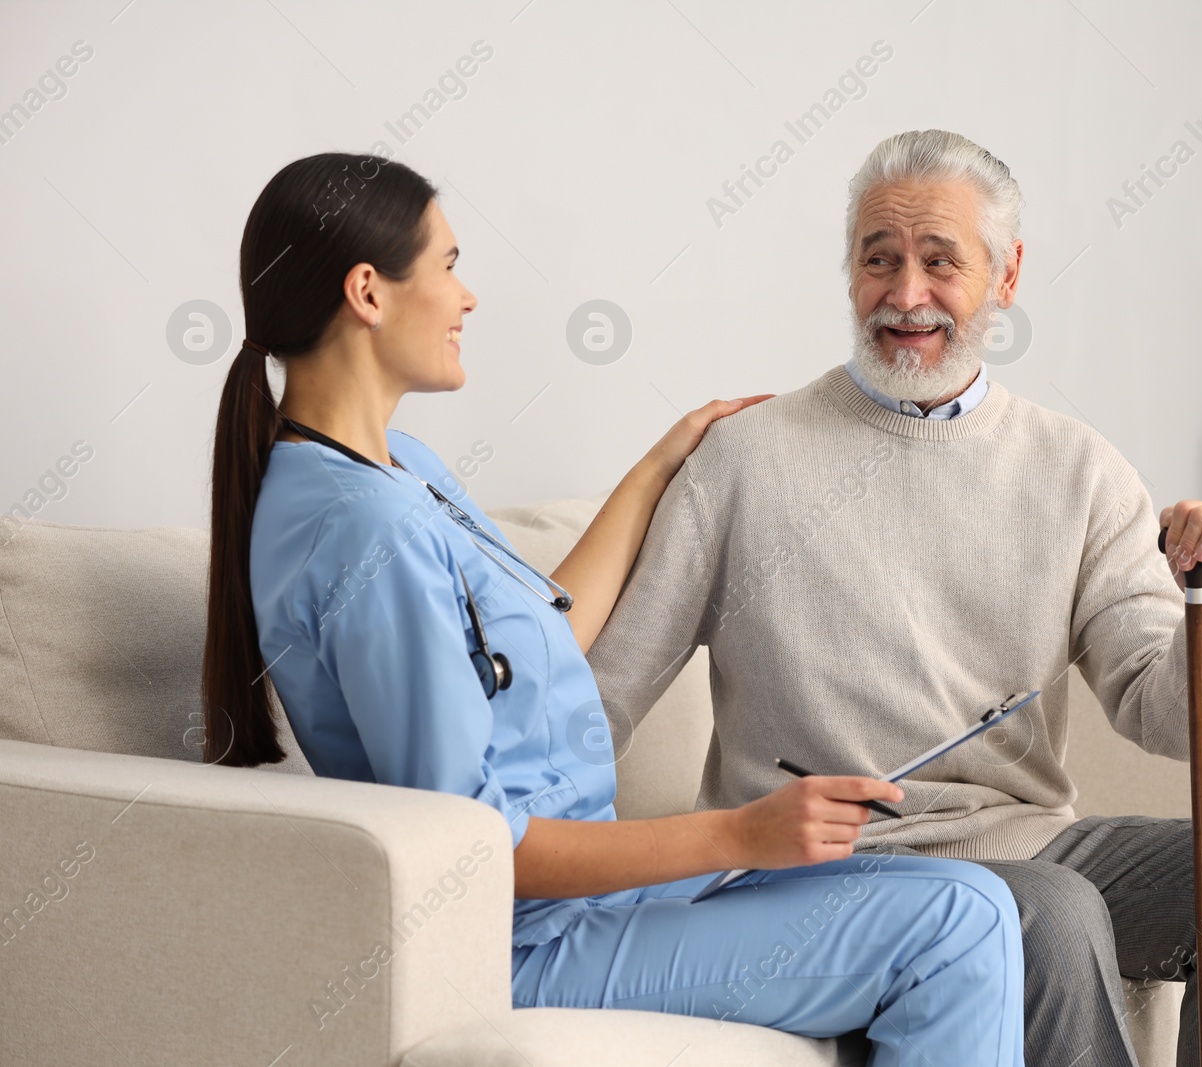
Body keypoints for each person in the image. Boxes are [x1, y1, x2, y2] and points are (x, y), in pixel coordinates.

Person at [201, 151, 1026, 1065]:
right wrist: (737, 834)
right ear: (368, 291)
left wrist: (657, 466)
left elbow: (540, 635)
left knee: (964, 899)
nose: (467, 297)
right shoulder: (364, 529)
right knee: (954, 918)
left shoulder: (393, 470)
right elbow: (473, 847)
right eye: (446, 264)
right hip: (520, 941)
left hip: (580, 912)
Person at [586, 129, 1202, 1067]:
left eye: (941, 261)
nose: (906, 295)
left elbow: (1170, 720)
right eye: (880, 260)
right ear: (849, 270)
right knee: (1048, 910)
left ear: (1007, 273)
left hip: (1028, 847)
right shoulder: (745, 460)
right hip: (825, 873)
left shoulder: (1077, 468)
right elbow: (600, 699)